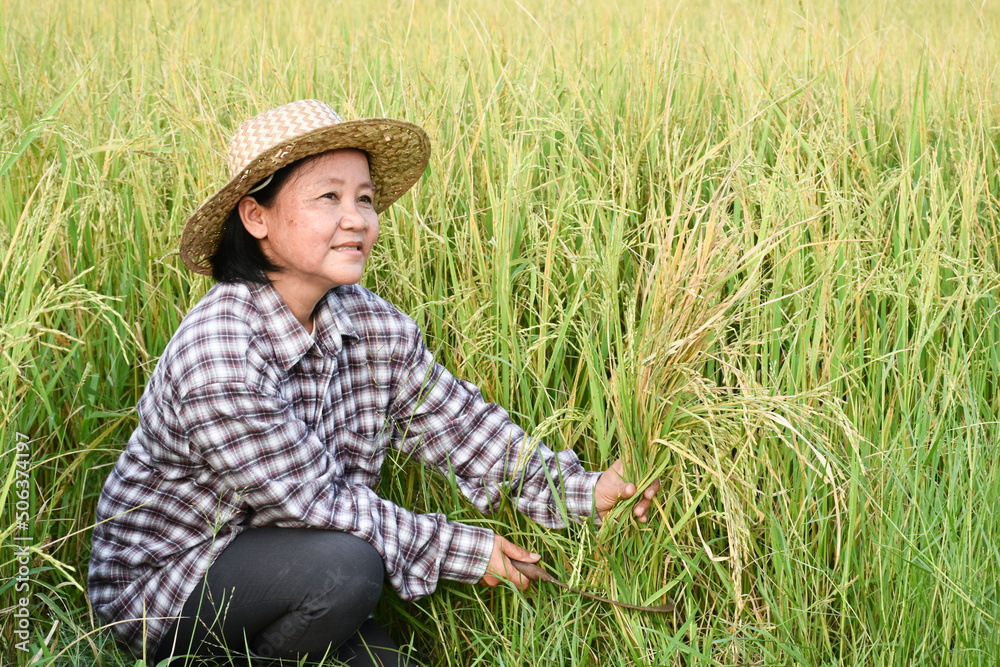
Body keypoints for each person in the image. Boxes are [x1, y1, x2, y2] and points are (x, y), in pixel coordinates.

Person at [87, 99, 660, 666]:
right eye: (328, 197)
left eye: (364, 198)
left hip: (297, 566)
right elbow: (316, 502)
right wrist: (469, 549)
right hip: (169, 587)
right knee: (348, 571)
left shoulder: (369, 322)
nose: (357, 218)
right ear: (256, 217)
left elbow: (462, 427)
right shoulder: (219, 349)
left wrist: (581, 492)